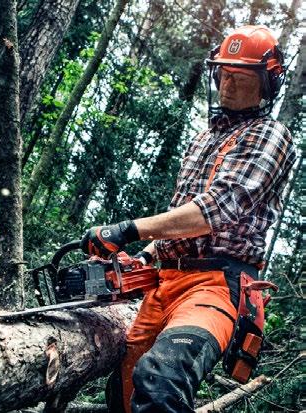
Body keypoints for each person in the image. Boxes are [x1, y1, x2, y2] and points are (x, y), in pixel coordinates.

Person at [81, 25, 296, 413]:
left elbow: (218, 207)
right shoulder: (202, 140)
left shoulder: (271, 134)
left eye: (242, 77)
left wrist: (126, 229)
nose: (229, 85)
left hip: (217, 285)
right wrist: (147, 254)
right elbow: (183, 213)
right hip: (165, 281)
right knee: (125, 393)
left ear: (267, 84)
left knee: (162, 378)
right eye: (225, 74)